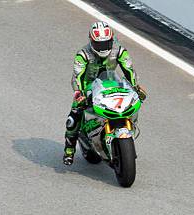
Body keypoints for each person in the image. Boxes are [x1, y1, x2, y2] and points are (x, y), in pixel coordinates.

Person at [63, 21, 147, 165]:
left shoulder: (119, 50)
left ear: (111, 40)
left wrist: (136, 87)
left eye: (106, 44)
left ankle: (127, 126)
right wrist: (79, 93)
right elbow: (77, 76)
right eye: (99, 45)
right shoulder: (82, 55)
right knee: (73, 119)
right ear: (91, 42)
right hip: (88, 87)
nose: (103, 48)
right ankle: (69, 151)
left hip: (110, 82)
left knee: (130, 101)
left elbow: (129, 70)